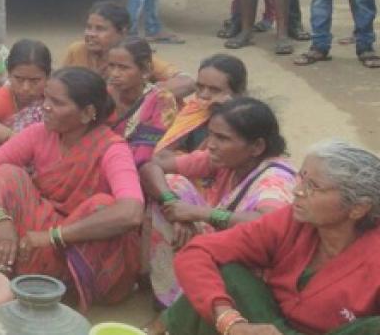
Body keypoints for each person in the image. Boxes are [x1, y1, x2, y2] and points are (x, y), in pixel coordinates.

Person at [161, 140, 380, 335]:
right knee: (229, 275)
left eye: (313, 186)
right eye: (302, 178)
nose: (297, 191)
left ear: (358, 209)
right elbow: (198, 252)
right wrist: (229, 320)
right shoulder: (293, 221)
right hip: (272, 324)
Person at [0, 67, 144, 309]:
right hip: (35, 239)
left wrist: (54, 236)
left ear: (87, 113)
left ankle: (68, 287)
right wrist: (1, 219)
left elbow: (131, 213)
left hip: (80, 247)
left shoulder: (113, 149)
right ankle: (22, 269)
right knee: (6, 174)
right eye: (46, 98)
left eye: (57, 103)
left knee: (102, 205)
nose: (45, 107)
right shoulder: (39, 133)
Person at [140, 97, 296, 309]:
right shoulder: (227, 159)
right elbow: (153, 166)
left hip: (254, 271)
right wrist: (174, 206)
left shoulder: (275, 178)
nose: (211, 145)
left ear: (257, 146)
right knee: (171, 185)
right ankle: (176, 298)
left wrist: (194, 213)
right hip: (222, 244)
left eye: (222, 138)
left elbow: (266, 225)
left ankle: (192, 303)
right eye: (211, 134)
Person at [63, 1, 195, 99]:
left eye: (100, 29)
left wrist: (145, 98)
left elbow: (187, 82)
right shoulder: (77, 51)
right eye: (89, 27)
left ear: (123, 32)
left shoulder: (134, 56)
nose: (91, 34)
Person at [0, 39, 51, 156]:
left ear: (48, 77)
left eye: (35, 81)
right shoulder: (5, 94)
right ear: (9, 74)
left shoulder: (55, 97)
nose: (26, 87)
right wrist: (21, 141)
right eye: (19, 79)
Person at [155, 54, 248, 155]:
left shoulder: (248, 125)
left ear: (238, 93)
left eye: (215, 90)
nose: (203, 95)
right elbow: (163, 150)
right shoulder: (193, 112)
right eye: (200, 87)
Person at [106, 38, 178, 166]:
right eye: (111, 66)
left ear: (145, 70)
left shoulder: (162, 100)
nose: (114, 74)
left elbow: (146, 151)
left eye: (123, 68)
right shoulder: (102, 95)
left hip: (141, 166)